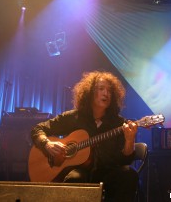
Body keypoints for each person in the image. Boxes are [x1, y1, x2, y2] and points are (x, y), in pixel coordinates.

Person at [31, 71, 139, 202]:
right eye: (101, 89)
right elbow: (38, 129)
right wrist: (46, 144)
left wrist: (130, 140)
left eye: (110, 91)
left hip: (108, 173)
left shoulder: (119, 124)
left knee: (129, 174)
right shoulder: (74, 117)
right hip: (78, 171)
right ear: (90, 92)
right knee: (75, 179)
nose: (106, 93)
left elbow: (125, 161)